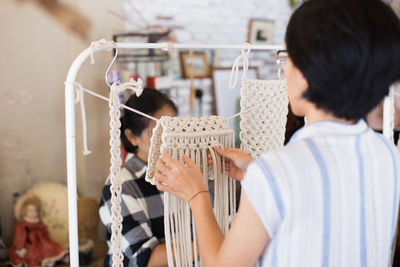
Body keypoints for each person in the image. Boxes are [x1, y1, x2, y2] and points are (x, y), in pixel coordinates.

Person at [154, 0, 400, 266]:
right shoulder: (387, 154)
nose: (284, 68)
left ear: (306, 73)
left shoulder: (276, 172)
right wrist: (258, 174)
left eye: (288, 57)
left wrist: (197, 196)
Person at [99, 88, 177, 267]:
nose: (169, 141)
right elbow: (143, 258)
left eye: (174, 130)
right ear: (132, 137)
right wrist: (210, 246)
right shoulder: (120, 185)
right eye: (157, 134)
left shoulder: (188, 172)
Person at [9, 194, 68, 267]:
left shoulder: (39, 223)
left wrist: (48, 241)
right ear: (25, 211)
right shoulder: (22, 225)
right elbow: (19, 238)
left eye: (35, 210)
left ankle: (62, 257)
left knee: (51, 247)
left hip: (42, 243)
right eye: (30, 210)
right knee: (33, 253)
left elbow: (46, 234)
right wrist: (20, 248)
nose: (32, 213)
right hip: (30, 244)